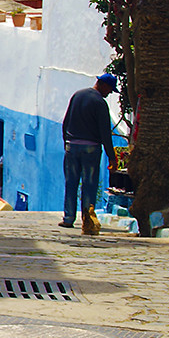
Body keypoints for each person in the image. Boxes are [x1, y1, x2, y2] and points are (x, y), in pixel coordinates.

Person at [59, 73, 118, 230]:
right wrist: (112, 157)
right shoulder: (100, 103)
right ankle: (87, 220)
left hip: (71, 146)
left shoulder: (77, 95)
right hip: (91, 149)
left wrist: (66, 142)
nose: (109, 93)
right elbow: (105, 133)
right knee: (89, 184)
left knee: (71, 183)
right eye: (110, 89)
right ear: (102, 85)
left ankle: (68, 218)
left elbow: (65, 122)